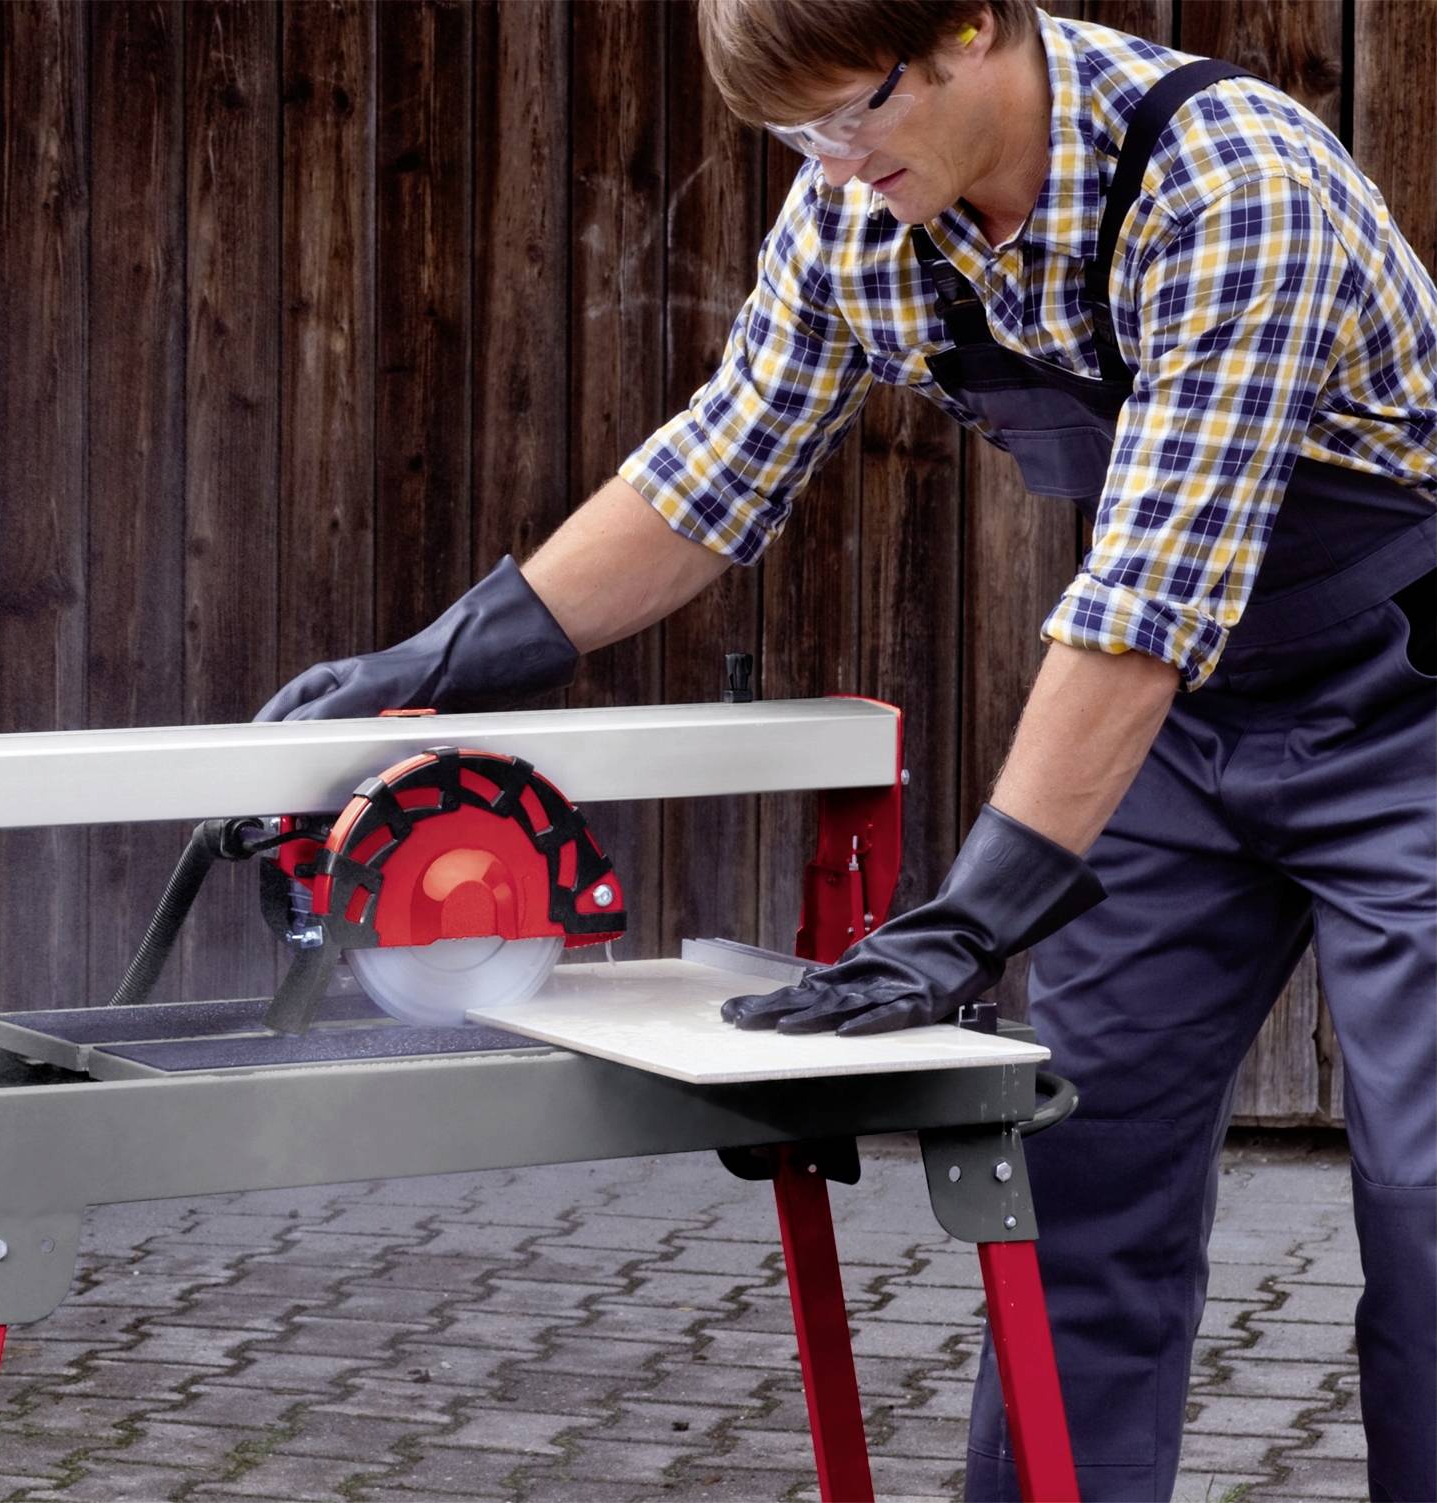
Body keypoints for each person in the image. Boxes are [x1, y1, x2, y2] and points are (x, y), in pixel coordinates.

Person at [259, 3, 1437, 1496]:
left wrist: (972, 919)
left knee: (1428, 1209)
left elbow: (1146, 600)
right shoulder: (864, 215)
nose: (828, 162)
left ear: (969, 28)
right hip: (1183, 733)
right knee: (1075, 1192)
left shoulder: (1226, 179)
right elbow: (715, 470)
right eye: (792, 133)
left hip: (1407, 715)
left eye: (853, 114)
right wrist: (437, 658)